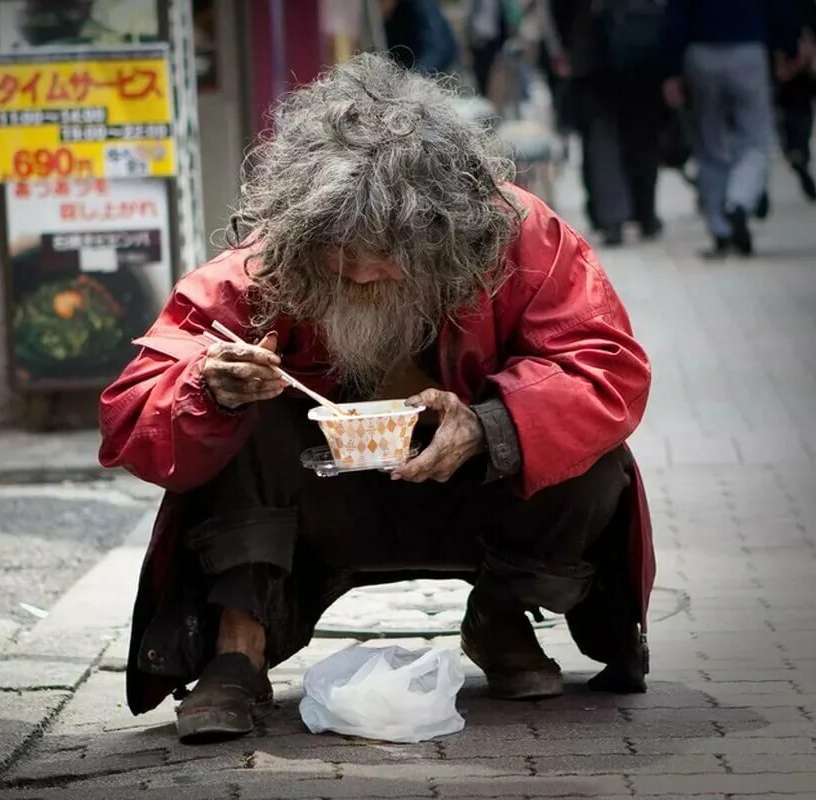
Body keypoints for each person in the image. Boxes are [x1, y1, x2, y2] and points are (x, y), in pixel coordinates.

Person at [99, 53, 655, 744]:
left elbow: (605, 370)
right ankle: (235, 647)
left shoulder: (520, 236)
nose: (361, 269)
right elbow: (131, 412)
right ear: (308, 229)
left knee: (594, 453)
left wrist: (492, 426)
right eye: (341, 249)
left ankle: (502, 615)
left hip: (481, 494)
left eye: (388, 249)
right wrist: (208, 385)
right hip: (325, 499)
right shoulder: (275, 257)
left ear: (447, 229)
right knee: (239, 410)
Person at [663, 0, 801, 257]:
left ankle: (720, 229)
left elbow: (675, 14)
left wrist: (671, 69)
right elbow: (780, 9)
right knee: (755, 139)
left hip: (701, 51)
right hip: (748, 49)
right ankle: (739, 201)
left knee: (709, 145)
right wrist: (788, 46)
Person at [562, 0, 669, 246]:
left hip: (595, 58)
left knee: (603, 139)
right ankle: (645, 212)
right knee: (643, 136)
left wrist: (567, 49)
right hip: (644, 57)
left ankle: (612, 218)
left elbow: (561, 11)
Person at [775, 0, 816, 202]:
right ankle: (800, 151)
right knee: (802, 111)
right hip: (801, 57)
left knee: (785, 112)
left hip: (778, 58)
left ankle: (794, 152)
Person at [381, 0, 459, 76]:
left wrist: (416, 75)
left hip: (441, 66)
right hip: (407, 64)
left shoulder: (423, 5)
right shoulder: (381, 13)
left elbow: (435, 46)